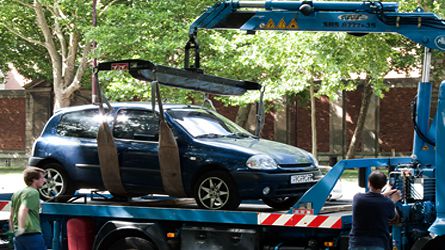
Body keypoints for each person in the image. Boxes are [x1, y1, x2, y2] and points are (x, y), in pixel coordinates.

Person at [349, 170, 401, 250]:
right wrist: (393, 200)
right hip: (377, 244)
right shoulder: (387, 203)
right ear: (383, 185)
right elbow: (394, 218)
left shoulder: (357, 198)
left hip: (357, 244)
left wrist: (383, 195)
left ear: (369, 183)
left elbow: (372, 198)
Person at [9, 167, 47, 250]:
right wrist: (22, 228)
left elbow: (11, 215)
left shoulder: (17, 193)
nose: (44, 181)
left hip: (18, 237)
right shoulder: (33, 192)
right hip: (32, 235)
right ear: (34, 180)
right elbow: (23, 210)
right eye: (42, 178)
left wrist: (14, 231)